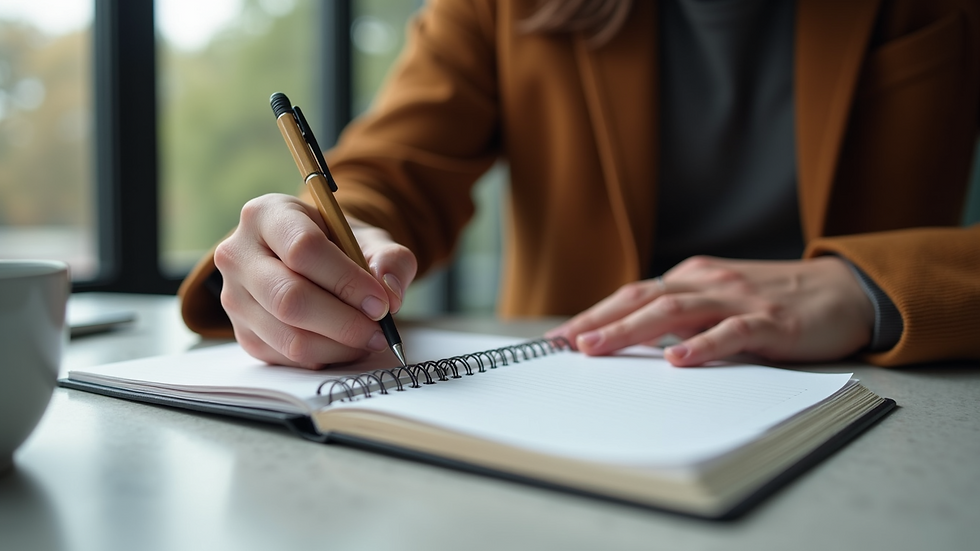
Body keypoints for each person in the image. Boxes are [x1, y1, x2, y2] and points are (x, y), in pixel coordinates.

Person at [178, 0, 980, 370]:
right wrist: (308, 249)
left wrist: (870, 286)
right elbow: (388, 175)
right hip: (572, 416)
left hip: (886, 405)